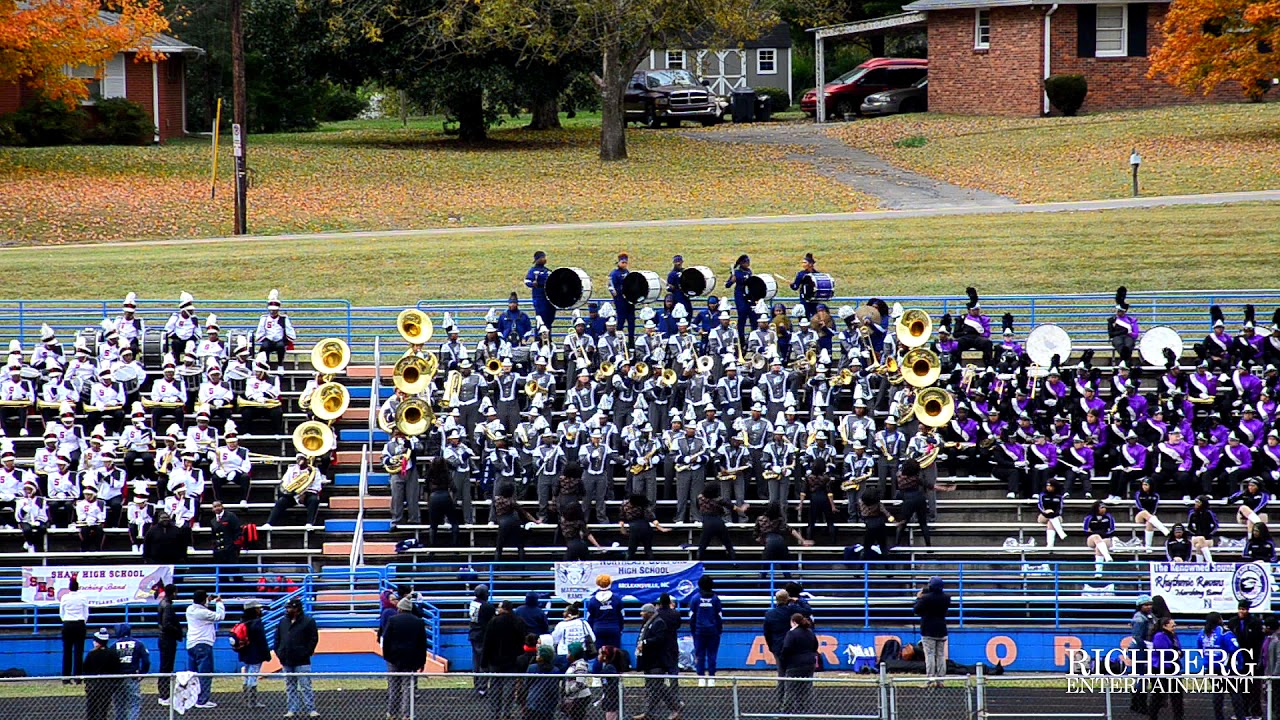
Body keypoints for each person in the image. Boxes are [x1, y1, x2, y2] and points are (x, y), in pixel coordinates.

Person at [383, 596, 428, 720]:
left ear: (400, 608)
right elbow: (422, 644)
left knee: (394, 687)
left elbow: (386, 640)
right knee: (408, 687)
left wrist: (387, 656)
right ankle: (407, 714)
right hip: (410, 659)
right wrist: (422, 661)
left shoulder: (392, 620)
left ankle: (392, 713)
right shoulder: (418, 622)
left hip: (393, 658)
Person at [273, 596, 319, 717]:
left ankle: (311, 709)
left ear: (297, 608)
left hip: (302, 660)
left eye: (289, 608)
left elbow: (313, 639)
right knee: (290, 686)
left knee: (306, 685)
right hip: (286, 659)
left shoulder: (308, 621)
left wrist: (306, 652)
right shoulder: (283, 622)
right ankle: (292, 709)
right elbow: (277, 638)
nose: (287, 610)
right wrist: (279, 653)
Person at [483, 600, 529, 720]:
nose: (497, 609)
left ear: (504, 608)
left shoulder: (493, 622)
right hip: (512, 660)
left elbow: (487, 642)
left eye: (499, 607)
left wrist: (484, 661)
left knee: (495, 687)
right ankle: (507, 712)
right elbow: (523, 640)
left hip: (495, 660)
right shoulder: (518, 621)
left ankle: (495, 713)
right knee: (509, 687)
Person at [1197, 612, 1247, 720]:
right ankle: (1240, 717)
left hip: (1210, 667)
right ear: (1219, 620)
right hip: (1226, 667)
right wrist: (1240, 664)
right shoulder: (1225, 632)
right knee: (1235, 692)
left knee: (1217, 693)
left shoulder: (1202, 633)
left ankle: (1219, 717)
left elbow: (1200, 649)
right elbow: (1235, 649)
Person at [635, 603, 676, 720]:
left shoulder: (658, 623)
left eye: (643, 612)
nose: (641, 614)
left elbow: (659, 639)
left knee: (658, 687)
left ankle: (676, 707)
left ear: (649, 613)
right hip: (649, 661)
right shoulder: (648, 623)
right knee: (653, 688)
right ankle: (649, 712)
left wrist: (645, 643)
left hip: (657, 661)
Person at [185, 590, 224, 708]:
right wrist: (219, 603)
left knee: (193, 674)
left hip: (191, 644)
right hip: (203, 644)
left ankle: (193, 698)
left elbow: (203, 607)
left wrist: (208, 601)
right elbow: (220, 616)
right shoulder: (203, 613)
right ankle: (202, 700)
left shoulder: (190, 609)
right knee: (205, 673)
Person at [1228, 599, 1264, 717]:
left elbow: (1259, 642)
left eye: (1243, 609)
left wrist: (1256, 659)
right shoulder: (1233, 622)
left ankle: (1255, 712)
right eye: (1240, 609)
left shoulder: (1255, 622)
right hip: (1237, 660)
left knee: (1254, 687)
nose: (1241, 612)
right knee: (1240, 687)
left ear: (1248, 610)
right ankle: (1242, 712)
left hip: (1251, 659)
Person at [913, 577, 951, 689]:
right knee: (941, 655)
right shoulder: (946, 598)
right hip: (941, 629)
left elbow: (916, 610)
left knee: (929, 655)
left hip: (928, 630)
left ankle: (930, 679)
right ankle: (941, 680)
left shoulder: (925, 598)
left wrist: (918, 598)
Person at [779, 613, 818, 716]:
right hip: (809, 663)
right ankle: (806, 712)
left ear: (793, 622)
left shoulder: (791, 634)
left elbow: (786, 648)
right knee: (806, 689)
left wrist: (783, 660)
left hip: (794, 664)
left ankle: (786, 713)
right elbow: (815, 646)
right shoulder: (810, 632)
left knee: (790, 689)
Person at [235, 600, 271, 709]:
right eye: (258, 608)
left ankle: (247, 698)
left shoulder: (242, 621)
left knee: (247, 674)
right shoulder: (257, 623)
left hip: (245, 653)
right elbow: (261, 640)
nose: (260, 610)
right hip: (256, 653)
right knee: (253, 675)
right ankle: (252, 701)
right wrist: (266, 654)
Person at [688, 576, 723, 686]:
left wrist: (693, 631)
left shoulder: (695, 599)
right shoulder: (715, 599)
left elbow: (691, 617)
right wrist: (719, 630)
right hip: (713, 632)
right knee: (712, 655)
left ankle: (701, 678)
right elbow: (719, 617)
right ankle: (712, 678)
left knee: (700, 655)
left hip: (699, 632)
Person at [696, 484, 745, 559]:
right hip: (718, 522)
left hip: (707, 523)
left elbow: (698, 506)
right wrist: (742, 509)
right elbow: (732, 506)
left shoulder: (700, 498)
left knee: (702, 546)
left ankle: (698, 561)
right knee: (728, 544)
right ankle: (734, 562)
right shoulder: (719, 499)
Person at [112, 623, 150, 720]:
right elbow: (146, 661)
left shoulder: (114, 645)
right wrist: (142, 673)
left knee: (119, 704)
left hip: (118, 678)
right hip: (133, 676)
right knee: (134, 703)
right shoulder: (138, 644)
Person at [1147, 616, 1183, 720]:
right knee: (1158, 695)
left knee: (1177, 694)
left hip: (1173, 667)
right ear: (1164, 626)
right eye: (1172, 625)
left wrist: (1178, 653)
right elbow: (1163, 652)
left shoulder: (1174, 636)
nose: (1174, 627)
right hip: (1160, 668)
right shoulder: (1159, 636)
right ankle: (1153, 716)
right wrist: (1176, 653)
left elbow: (1180, 650)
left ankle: (1178, 717)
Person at [83, 628, 121, 720]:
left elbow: (85, 669)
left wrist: (87, 682)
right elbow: (116, 669)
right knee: (103, 710)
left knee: (92, 710)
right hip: (107, 686)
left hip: (93, 686)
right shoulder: (112, 654)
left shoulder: (91, 654)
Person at [155, 583, 182, 706]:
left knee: (165, 666)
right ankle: (164, 695)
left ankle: (164, 694)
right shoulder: (167, 606)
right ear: (174, 592)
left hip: (164, 639)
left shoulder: (163, 603)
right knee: (166, 667)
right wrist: (177, 632)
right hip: (167, 640)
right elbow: (166, 624)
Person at [60, 577, 90, 681]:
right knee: (79, 652)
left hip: (67, 623)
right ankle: (78, 677)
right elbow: (86, 613)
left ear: (69, 588)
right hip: (79, 624)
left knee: (67, 652)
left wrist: (66, 620)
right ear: (78, 587)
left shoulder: (64, 597)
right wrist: (82, 622)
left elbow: (61, 613)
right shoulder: (83, 597)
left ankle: (66, 677)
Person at [468, 584, 496, 694]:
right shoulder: (487, 607)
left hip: (474, 634)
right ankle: (482, 686)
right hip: (482, 636)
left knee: (476, 661)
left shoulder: (473, 603)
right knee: (484, 662)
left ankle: (477, 684)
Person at [1129, 595, 1154, 714]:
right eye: (1146, 605)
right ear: (1140, 606)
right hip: (1140, 650)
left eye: (1150, 604)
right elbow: (1138, 637)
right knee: (1142, 677)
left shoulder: (1149, 616)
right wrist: (1147, 647)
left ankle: (1135, 703)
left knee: (1143, 677)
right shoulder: (1139, 619)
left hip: (1143, 649)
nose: (1149, 607)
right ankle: (1140, 705)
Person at [586, 575, 624, 651]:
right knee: (615, 652)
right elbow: (621, 616)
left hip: (598, 629)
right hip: (614, 628)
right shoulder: (617, 599)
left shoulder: (592, 600)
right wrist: (620, 629)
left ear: (597, 583)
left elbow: (589, 618)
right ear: (610, 583)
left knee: (599, 652)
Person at [523, 646, 560, 720]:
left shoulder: (532, 668)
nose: (536, 656)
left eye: (538, 654)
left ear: (542, 657)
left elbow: (526, 684)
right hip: (548, 704)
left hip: (532, 701)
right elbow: (554, 689)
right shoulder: (555, 670)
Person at [561, 643, 593, 720]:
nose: (567, 655)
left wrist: (569, 690)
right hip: (575, 696)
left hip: (580, 697)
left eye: (569, 653)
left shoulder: (580, 665)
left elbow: (580, 683)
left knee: (577, 716)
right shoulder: (573, 664)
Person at [1083, 500, 1116, 576]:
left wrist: (1102, 533)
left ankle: (1098, 571)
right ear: (1096, 508)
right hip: (1092, 539)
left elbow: (1112, 530)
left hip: (1105, 538)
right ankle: (1106, 555)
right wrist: (1097, 533)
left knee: (1099, 546)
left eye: (1104, 507)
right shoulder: (1089, 518)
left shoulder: (1108, 517)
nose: (1104, 509)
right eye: (1101, 508)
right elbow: (1086, 530)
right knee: (1096, 537)